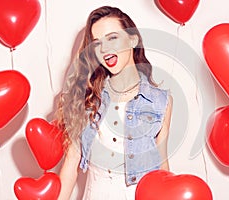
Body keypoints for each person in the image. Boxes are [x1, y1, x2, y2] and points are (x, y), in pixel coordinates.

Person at [56, 5, 173, 200]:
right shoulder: (89, 98)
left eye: (112, 38)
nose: (105, 49)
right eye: (97, 43)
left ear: (133, 39)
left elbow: (163, 167)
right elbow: (70, 165)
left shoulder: (161, 101)